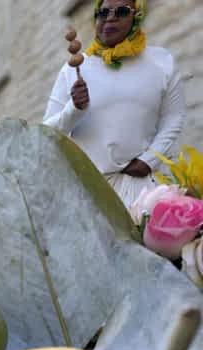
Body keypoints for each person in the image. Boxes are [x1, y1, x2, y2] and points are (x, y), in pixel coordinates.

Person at [43, 0, 186, 208]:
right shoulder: (73, 69)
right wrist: (74, 109)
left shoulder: (162, 62)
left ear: (137, 16)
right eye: (103, 12)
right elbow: (47, 132)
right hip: (87, 192)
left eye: (121, 11)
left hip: (142, 192)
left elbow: (173, 117)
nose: (110, 18)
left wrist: (149, 160)